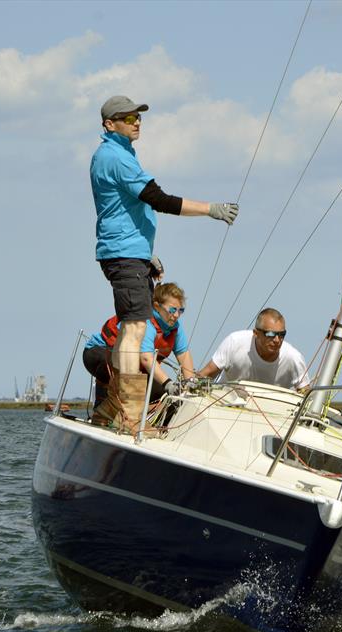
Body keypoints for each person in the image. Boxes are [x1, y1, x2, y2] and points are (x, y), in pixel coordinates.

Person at [90, 94, 238, 427]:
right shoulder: (115, 156)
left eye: (138, 117)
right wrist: (210, 210)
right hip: (124, 255)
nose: (136, 122)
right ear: (109, 125)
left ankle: (113, 410)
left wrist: (146, 254)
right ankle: (129, 414)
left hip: (130, 253)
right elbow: (157, 199)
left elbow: (124, 209)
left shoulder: (121, 153)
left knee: (133, 328)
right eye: (128, 118)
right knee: (134, 329)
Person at [83, 282, 195, 428]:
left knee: (161, 394)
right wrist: (168, 383)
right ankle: (114, 414)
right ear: (156, 306)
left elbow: (184, 355)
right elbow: (146, 358)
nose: (176, 315)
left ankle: (122, 415)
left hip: (132, 368)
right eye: (172, 310)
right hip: (97, 354)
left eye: (181, 311)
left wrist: (191, 384)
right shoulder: (146, 322)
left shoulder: (175, 329)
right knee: (139, 379)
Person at [198, 308, 311, 392]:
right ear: (256, 333)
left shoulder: (293, 358)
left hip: (273, 415)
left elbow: (306, 395)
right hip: (226, 406)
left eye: (282, 334)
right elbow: (205, 375)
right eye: (270, 334)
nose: (277, 340)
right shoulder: (234, 342)